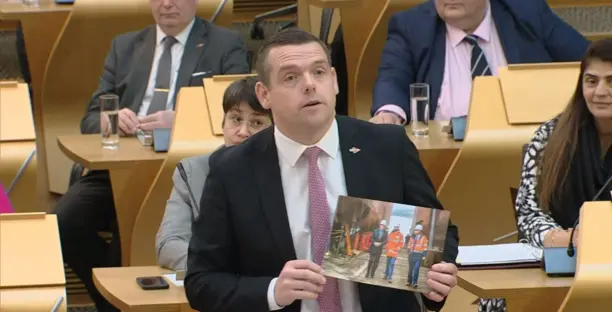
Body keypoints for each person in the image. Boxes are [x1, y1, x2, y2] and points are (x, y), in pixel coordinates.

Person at [185, 28, 460, 312]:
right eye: (291, 77)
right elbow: (201, 281)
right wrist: (272, 292)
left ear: (335, 81)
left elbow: (440, 233)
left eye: (318, 72)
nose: (309, 85)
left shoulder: (387, 147)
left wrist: (438, 273)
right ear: (264, 95)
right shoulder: (233, 170)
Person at [53, 0, 250, 310]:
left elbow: (239, 110)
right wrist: (111, 118)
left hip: (184, 169)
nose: (167, 4)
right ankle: (109, 303)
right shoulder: (126, 45)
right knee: (63, 222)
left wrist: (184, 118)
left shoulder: (225, 43)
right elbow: (91, 117)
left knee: (127, 231)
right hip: (119, 168)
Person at [481, 38, 612, 311]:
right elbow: (528, 212)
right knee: (495, 300)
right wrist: (560, 238)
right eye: (591, 81)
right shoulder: (551, 136)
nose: (600, 91)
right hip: (564, 260)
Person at [370, 0, 589, 125]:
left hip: (529, 151)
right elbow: (392, 77)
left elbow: (589, 61)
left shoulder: (526, 13)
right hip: (443, 158)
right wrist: (389, 113)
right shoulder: (412, 25)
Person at [155, 77, 271, 270]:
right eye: (236, 119)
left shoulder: (290, 173)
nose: (243, 132)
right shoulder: (193, 172)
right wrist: (216, 271)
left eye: (257, 122)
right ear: (223, 123)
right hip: (218, 290)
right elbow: (169, 244)